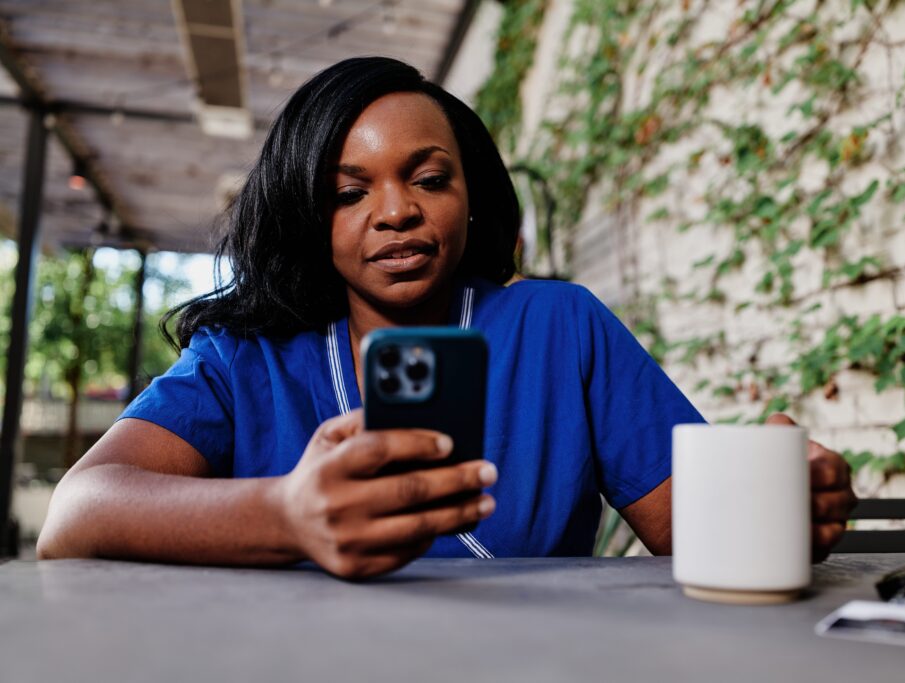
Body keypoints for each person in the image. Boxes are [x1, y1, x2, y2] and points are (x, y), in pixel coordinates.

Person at [37, 57, 856, 579]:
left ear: (472, 201)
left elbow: (687, 527)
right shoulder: (243, 360)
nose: (395, 212)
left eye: (429, 178)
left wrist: (776, 506)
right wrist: (285, 511)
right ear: (305, 216)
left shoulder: (558, 326)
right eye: (349, 193)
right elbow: (77, 512)